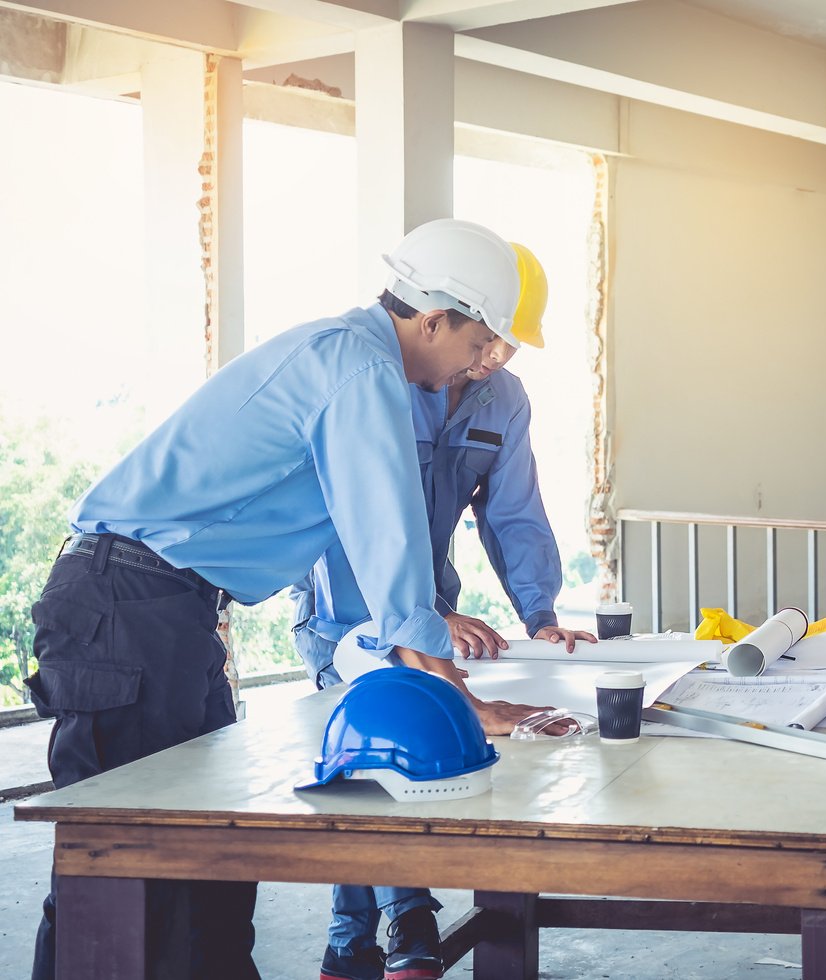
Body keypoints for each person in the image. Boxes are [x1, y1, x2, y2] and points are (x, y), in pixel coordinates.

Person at [24, 218, 558, 980]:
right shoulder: (359, 372)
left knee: (210, 856)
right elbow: (390, 547)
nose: (483, 363)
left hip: (170, 608)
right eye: (478, 345)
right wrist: (463, 707)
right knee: (123, 863)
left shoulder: (351, 356)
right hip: (124, 604)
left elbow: (389, 553)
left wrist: (459, 692)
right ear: (434, 319)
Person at [293, 242, 595, 980]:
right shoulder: (380, 381)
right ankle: (406, 917)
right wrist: (415, 618)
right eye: (485, 338)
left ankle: (353, 933)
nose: (492, 357)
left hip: (431, 607)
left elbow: (515, 508)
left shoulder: (505, 399)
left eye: (508, 344)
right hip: (343, 605)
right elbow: (353, 516)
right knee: (380, 753)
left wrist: (539, 612)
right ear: (450, 320)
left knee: (399, 759)